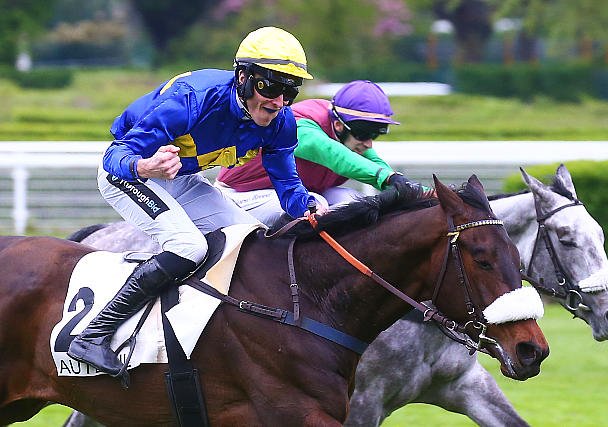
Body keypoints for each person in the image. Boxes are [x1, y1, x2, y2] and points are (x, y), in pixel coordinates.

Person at [67, 26, 325, 378]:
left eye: (289, 91)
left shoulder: (281, 123)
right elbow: (115, 157)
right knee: (189, 247)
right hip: (129, 174)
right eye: (269, 87)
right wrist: (145, 166)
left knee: (250, 240)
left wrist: (308, 209)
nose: (278, 101)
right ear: (243, 77)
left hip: (181, 179)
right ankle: (93, 335)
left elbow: (288, 186)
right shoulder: (192, 100)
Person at [215, 79, 428, 226]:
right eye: (364, 133)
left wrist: (424, 193)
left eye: (375, 134)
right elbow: (334, 155)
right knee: (317, 205)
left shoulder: (349, 133)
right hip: (237, 196)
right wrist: (387, 178)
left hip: (290, 194)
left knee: (355, 201)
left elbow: (379, 167)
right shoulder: (300, 125)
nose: (368, 143)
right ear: (339, 125)